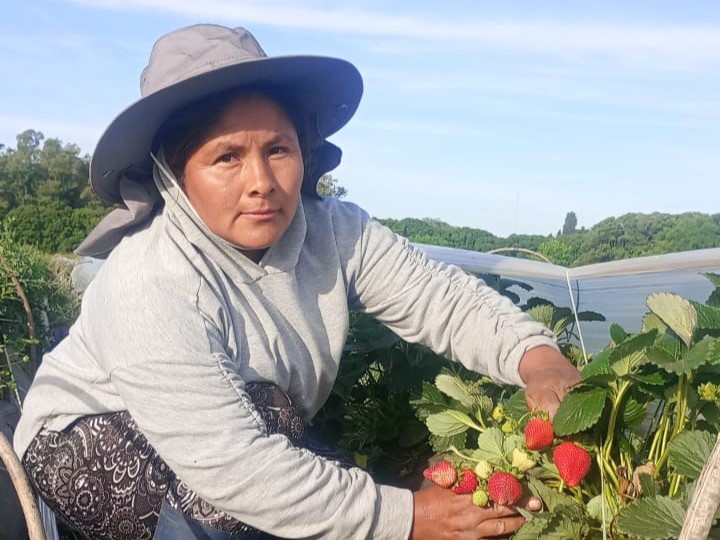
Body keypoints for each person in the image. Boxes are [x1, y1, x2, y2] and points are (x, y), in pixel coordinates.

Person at [14, 24, 581, 540]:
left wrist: (536, 356)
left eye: (277, 149)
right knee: (228, 512)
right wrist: (411, 516)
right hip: (83, 435)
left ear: (303, 154)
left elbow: (440, 299)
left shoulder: (336, 232)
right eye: (227, 157)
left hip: (245, 421)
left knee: (287, 453)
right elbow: (234, 466)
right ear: (173, 174)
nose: (261, 181)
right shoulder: (151, 277)